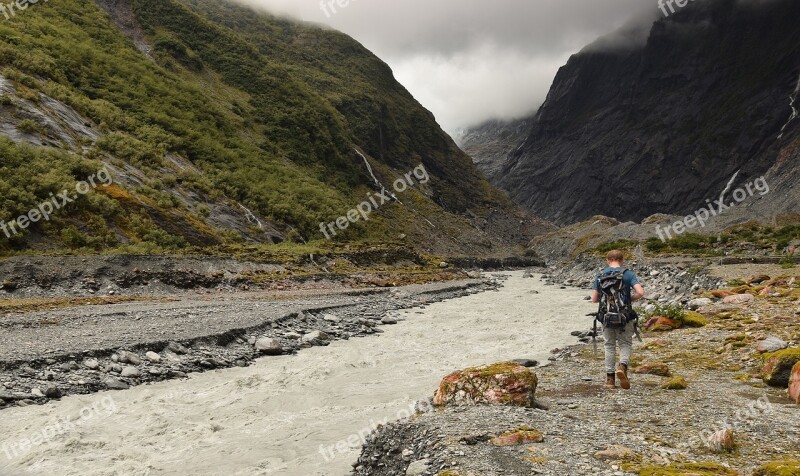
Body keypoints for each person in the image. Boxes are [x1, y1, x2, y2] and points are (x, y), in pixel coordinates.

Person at [591, 250, 645, 390]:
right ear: (622, 260)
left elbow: (594, 299)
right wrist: (629, 300)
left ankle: (610, 380)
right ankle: (622, 366)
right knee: (625, 343)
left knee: (609, 345)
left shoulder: (600, 274)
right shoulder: (628, 274)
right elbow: (640, 292)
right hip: (624, 315)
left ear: (608, 260)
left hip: (606, 316)